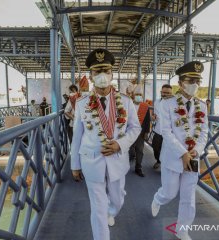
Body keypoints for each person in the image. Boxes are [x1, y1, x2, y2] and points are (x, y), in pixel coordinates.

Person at [71, 48, 141, 240]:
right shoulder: (82, 103)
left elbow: (135, 128)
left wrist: (120, 144)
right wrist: (75, 165)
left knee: (118, 200)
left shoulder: (125, 102)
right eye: (97, 72)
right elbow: (77, 135)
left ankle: (113, 211)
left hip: (117, 160)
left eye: (106, 71)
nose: (102, 75)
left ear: (112, 74)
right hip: (91, 161)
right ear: (91, 76)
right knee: (97, 208)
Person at [151, 61, 208, 240]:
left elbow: (204, 131)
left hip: (193, 157)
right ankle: (158, 198)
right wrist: (182, 153)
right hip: (173, 156)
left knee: (188, 198)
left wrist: (197, 150)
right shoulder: (167, 104)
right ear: (181, 83)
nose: (195, 85)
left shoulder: (202, 105)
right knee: (169, 192)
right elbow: (166, 131)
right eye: (190, 80)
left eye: (197, 81)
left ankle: (182, 230)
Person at [129, 84, 150, 177]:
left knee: (140, 150)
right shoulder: (128, 104)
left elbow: (147, 120)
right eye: (137, 94)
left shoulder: (145, 106)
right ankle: (125, 165)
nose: (139, 96)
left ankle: (138, 167)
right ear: (133, 95)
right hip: (129, 132)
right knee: (129, 149)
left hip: (140, 133)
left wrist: (146, 132)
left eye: (140, 95)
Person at [151, 84, 173, 169]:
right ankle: (158, 161)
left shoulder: (175, 103)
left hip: (170, 132)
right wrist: (153, 116)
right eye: (164, 92)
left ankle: (166, 165)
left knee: (169, 150)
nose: (166, 94)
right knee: (155, 147)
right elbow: (155, 113)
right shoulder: (157, 102)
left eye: (168, 93)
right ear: (161, 92)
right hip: (158, 130)